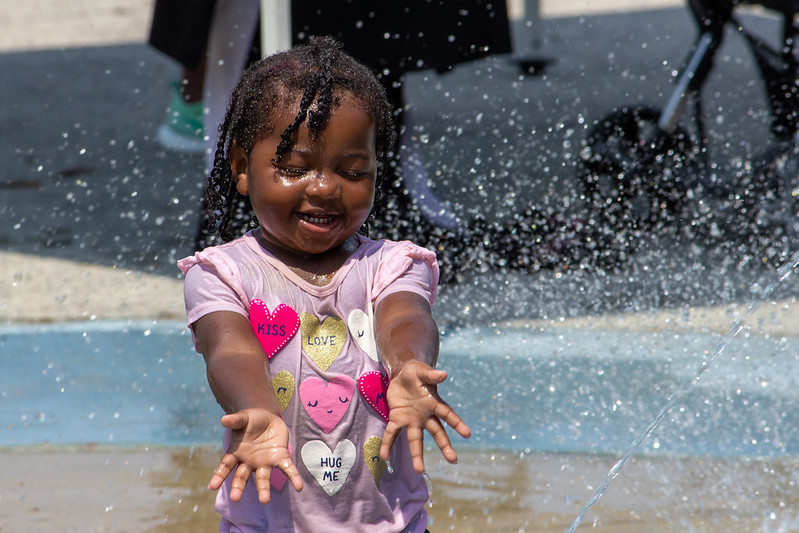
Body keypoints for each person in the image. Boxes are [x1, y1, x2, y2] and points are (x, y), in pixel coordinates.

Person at [177, 37, 471, 532]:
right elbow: (230, 350)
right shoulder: (223, 273)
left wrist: (409, 365)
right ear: (241, 167)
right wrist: (256, 409)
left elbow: (404, 317)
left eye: (353, 172)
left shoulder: (392, 263)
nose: (325, 187)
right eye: (294, 168)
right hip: (267, 523)